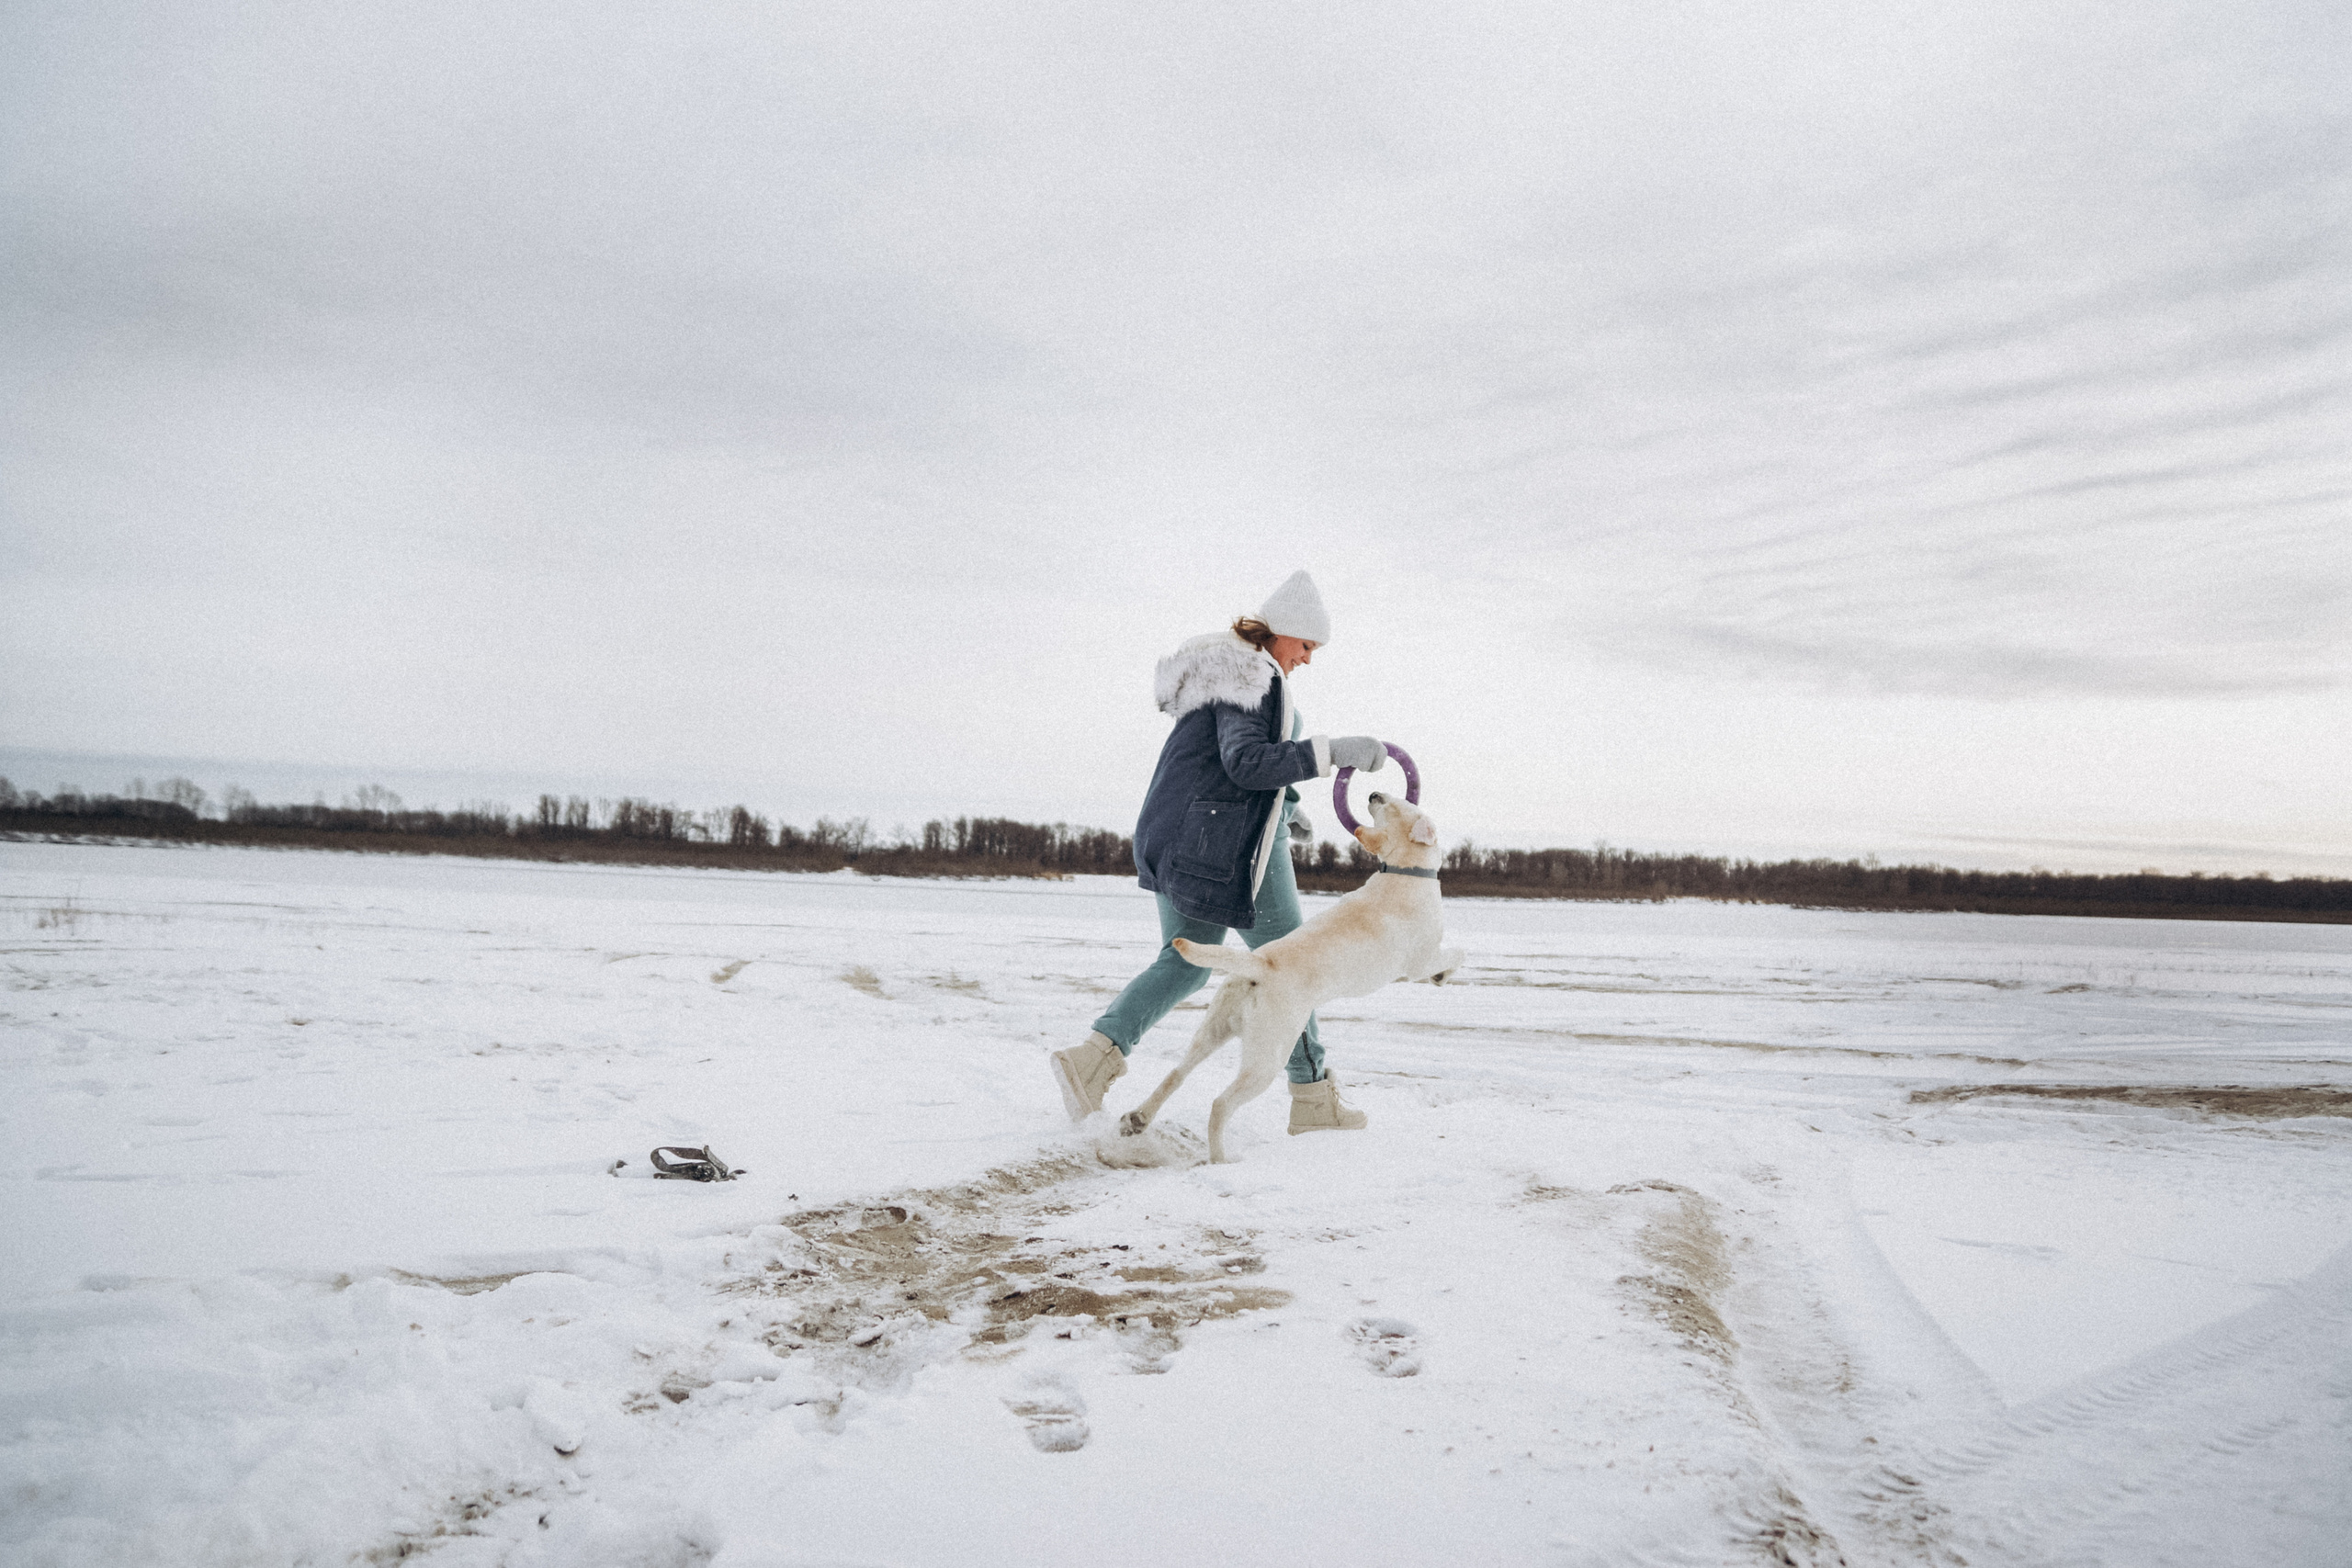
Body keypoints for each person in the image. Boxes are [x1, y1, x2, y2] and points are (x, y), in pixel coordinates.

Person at [1051, 570, 1388, 1135]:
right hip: (1224, 848)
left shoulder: (1230, 675)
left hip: (1185, 835)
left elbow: (1222, 765)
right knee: (1294, 967)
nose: (1307, 659)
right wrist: (1331, 752)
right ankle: (1312, 1099)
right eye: (1306, 645)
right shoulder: (1254, 674)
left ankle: (1091, 1060)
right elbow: (1246, 764)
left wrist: (1285, 805)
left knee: (1184, 962)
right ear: (1281, 634)